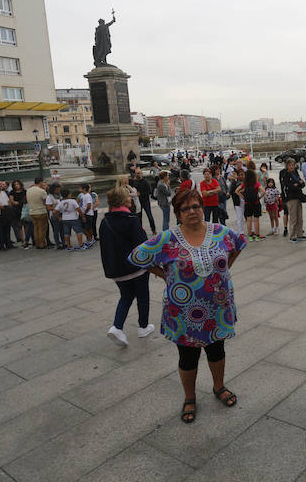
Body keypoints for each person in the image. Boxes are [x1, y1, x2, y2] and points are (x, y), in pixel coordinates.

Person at [128, 188, 246, 424]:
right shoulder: (167, 238)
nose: (192, 211)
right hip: (183, 312)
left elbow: (238, 244)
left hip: (216, 307)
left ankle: (218, 386)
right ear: (177, 214)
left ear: (202, 208)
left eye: (196, 206)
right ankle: (189, 397)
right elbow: (136, 256)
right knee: (188, 357)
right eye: (185, 209)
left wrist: (223, 269)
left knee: (217, 350)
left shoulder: (220, 232)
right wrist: (165, 275)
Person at [100, 188, 154, 347]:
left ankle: (117, 327)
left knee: (126, 296)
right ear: (124, 201)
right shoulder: (131, 219)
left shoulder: (105, 221)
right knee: (142, 296)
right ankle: (143, 327)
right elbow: (141, 246)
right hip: (136, 268)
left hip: (116, 271)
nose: (131, 199)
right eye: (128, 197)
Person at [283, 159, 306, 242]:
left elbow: (302, 183)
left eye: (293, 165)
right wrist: (297, 184)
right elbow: (290, 186)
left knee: (300, 217)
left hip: (298, 197)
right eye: (290, 165)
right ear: (287, 166)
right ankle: (292, 236)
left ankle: (300, 234)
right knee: (293, 218)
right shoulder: (285, 174)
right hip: (291, 198)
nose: (292, 166)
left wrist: (298, 184)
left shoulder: (295, 173)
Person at [238, 169, 264, 241]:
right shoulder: (256, 183)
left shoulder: (244, 183)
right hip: (256, 203)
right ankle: (257, 236)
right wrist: (259, 197)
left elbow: (236, 191)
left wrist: (243, 197)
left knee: (249, 220)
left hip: (247, 203)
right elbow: (263, 191)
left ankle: (250, 237)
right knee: (256, 220)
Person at [131, 168, 156, 235]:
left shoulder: (145, 181)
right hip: (138, 202)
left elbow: (150, 191)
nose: (137, 175)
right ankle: (140, 231)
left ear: (141, 173)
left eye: (138, 173)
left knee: (149, 216)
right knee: (139, 217)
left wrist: (141, 193)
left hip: (145, 201)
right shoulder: (134, 182)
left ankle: (153, 230)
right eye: (136, 173)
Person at [26, 178, 49, 249]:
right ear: (40, 182)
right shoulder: (42, 191)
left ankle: (37, 243)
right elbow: (46, 202)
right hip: (41, 211)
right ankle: (42, 244)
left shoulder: (28, 190)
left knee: (36, 228)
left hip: (32, 212)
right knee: (42, 228)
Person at [7, 180, 27, 248]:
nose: (16, 185)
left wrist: (21, 202)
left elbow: (26, 199)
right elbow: (12, 201)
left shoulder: (24, 191)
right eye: (15, 184)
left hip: (24, 209)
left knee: (26, 225)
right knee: (19, 226)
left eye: (17, 184)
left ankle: (27, 240)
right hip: (16, 210)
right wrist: (16, 203)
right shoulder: (12, 192)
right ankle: (23, 240)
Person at [46, 184, 65, 250]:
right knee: (56, 230)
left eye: (59, 189)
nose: (58, 190)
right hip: (54, 215)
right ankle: (58, 244)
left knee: (63, 230)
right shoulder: (49, 197)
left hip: (62, 214)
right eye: (57, 189)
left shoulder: (60, 195)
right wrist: (57, 208)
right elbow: (48, 207)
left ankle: (64, 243)